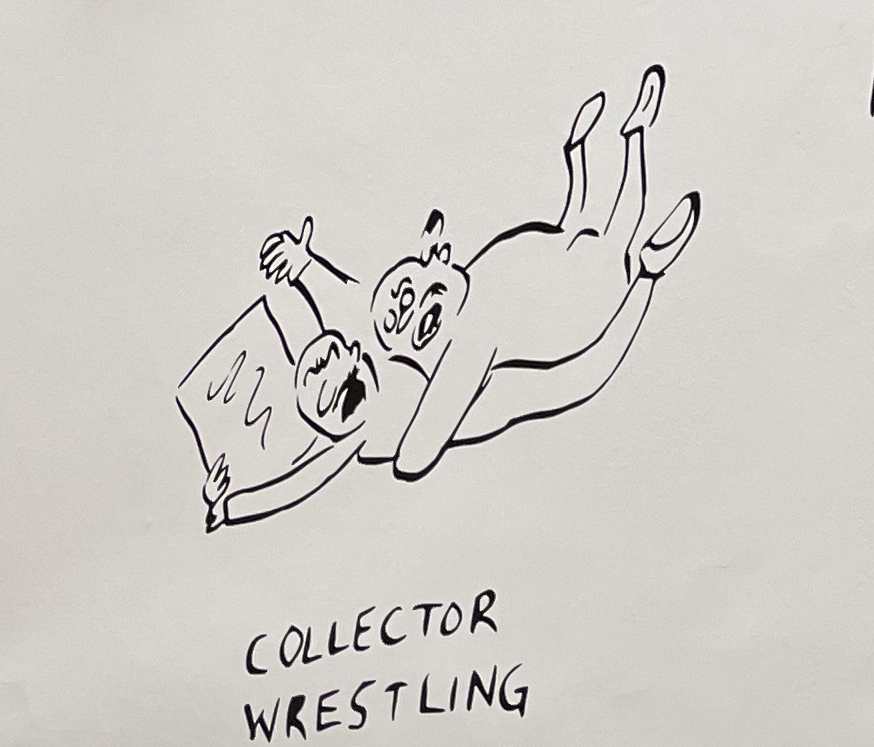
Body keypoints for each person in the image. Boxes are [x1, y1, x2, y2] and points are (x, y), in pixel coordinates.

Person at [254, 64, 702, 492]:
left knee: (577, 225)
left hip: (513, 291)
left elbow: (342, 306)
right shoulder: (400, 418)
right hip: (538, 324)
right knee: (610, 239)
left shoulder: (406, 362)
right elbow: (401, 458)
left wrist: (304, 267)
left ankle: (601, 149)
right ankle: (632, 147)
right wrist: (645, 280)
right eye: (340, 385)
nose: (356, 350)